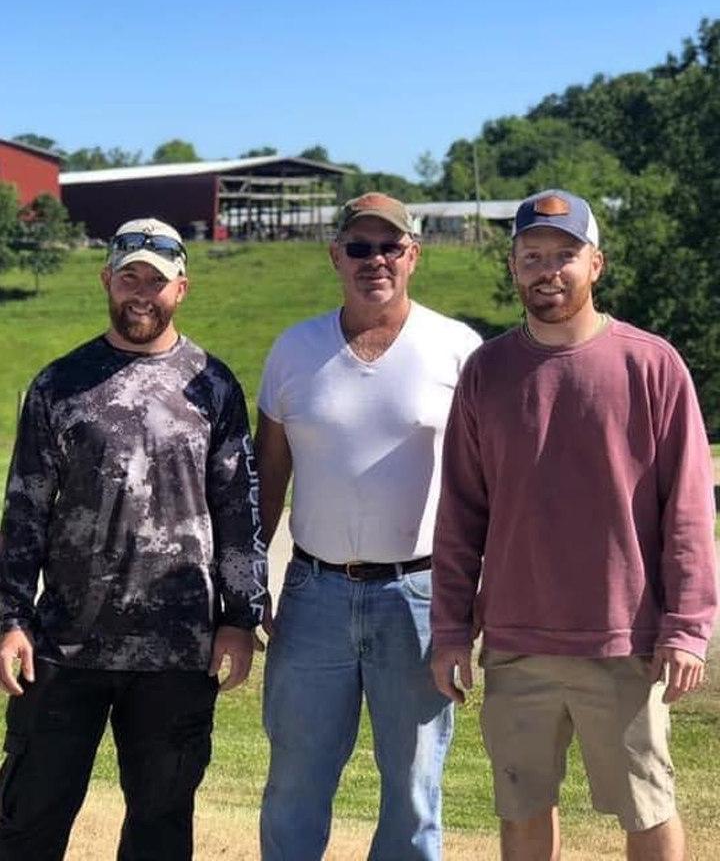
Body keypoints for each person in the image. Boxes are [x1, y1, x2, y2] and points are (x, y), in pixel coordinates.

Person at [430, 189, 718, 861]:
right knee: (523, 808)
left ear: (598, 265)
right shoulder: (487, 372)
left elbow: (688, 512)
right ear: (512, 266)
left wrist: (687, 629)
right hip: (515, 643)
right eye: (532, 255)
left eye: (565, 255)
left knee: (647, 810)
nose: (547, 270)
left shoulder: (651, 365)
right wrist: (450, 630)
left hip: (625, 641)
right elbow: (461, 515)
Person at [0, 217, 267, 861]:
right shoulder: (60, 384)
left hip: (177, 652)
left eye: (157, 279)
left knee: (160, 827)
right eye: (129, 278)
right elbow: (25, 511)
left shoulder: (213, 384)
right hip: (64, 647)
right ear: (107, 281)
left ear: (182, 288)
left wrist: (240, 619)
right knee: (26, 820)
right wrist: (10, 618)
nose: (141, 293)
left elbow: (239, 509)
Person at [256, 192, 481, 860]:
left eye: (390, 246)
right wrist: (243, 591)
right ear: (336, 256)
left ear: (414, 254)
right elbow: (267, 481)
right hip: (313, 593)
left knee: (414, 790)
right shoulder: (295, 350)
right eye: (359, 247)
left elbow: (486, 488)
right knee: (295, 781)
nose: (374, 259)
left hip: (418, 595)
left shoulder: (459, 348)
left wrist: (472, 601)